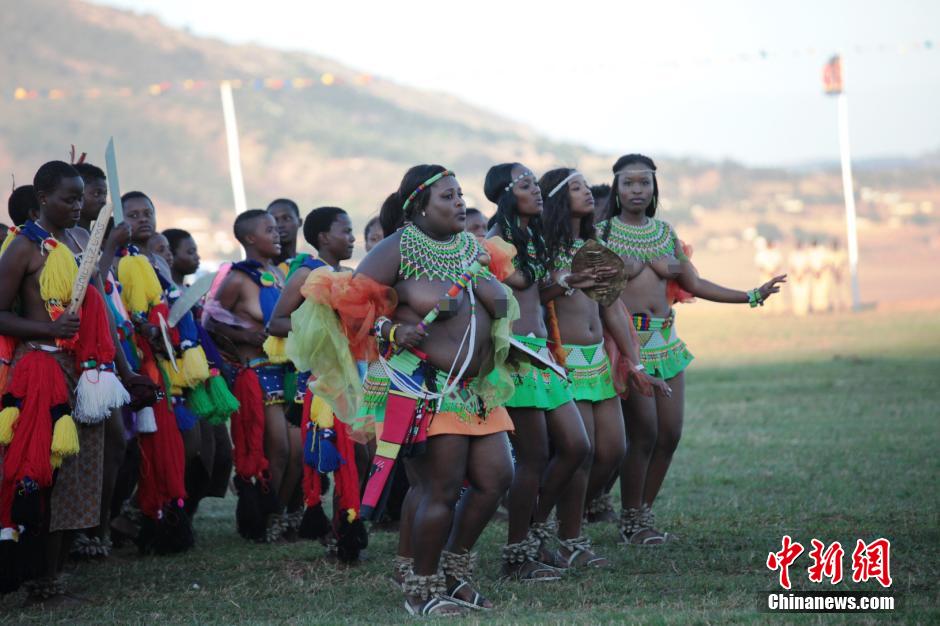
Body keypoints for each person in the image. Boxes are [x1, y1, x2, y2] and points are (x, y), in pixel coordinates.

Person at [288, 165, 517, 615]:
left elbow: (501, 296)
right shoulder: (397, 248)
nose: (459, 204)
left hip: (472, 388)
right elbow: (349, 306)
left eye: (460, 195)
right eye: (449, 197)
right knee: (440, 488)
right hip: (424, 388)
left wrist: (491, 301)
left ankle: (454, 570)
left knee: (496, 479)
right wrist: (392, 331)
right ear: (419, 206)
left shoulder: (471, 247)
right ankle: (421, 587)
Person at [597, 153, 785, 545]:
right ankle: (631, 519)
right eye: (629, 183)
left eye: (644, 183)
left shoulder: (666, 234)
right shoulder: (603, 235)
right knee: (644, 433)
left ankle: (643, 516)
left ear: (654, 188)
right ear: (616, 187)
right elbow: (596, 296)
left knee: (670, 434)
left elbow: (695, 284)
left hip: (668, 342)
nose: (637, 190)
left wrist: (750, 295)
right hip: (629, 344)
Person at [0, 161, 130, 600]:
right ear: (41, 197)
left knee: (76, 471)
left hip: (83, 373)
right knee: (42, 470)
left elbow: (100, 309)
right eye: (68, 198)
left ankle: (53, 574)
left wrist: (118, 368)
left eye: (81, 198)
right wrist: (47, 332)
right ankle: (31, 575)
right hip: (40, 369)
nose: (77, 206)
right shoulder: (22, 247)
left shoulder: (79, 240)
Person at [540, 167, 669, 566]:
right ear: (560, 198)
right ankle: (569, 539)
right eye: (577, 188)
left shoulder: (593, 244)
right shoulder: (545, 247)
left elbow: (612, 307)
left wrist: (633, 361)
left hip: (598, 361)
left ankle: (544, 518)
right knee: (582, 452)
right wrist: (567, 280)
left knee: (612, 450)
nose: (588, 195)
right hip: (567, 360)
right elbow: (537, 293)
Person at [484, 163, 590, 581]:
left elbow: (535, 292)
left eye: (535, 183)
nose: (537, 190)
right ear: (507, 195)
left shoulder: (533, 235)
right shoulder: (494, 243)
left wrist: (569, 280)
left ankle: (531, 531)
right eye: (526, 185)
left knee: (576, 446)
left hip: (544, 356)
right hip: (515, 357)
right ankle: (517, 555)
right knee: (534, 456)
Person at [268, 207, 366, 560]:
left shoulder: (352, 276)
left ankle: (347, 529)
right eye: (347, 230)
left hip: (355, 377)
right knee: (335, 455)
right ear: (324, 236)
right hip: (324, 383)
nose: (353, 238)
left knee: (359, 454)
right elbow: (276, 322)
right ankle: (337, 535)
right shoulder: (306, 274)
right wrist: (317, 332)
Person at [206, 210, 299, 542]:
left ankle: (280, 513)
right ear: (249, 239)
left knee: (295, 450)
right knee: (277, 449)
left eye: (277, 229)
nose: (277, 234)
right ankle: (262, 517)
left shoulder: (280, 275)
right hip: (256, 373)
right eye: (269, 230)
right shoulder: (236, 278)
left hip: (286, 371)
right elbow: (210, 322)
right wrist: (245, 337)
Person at [754, 238, 786, 314]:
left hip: (775, 276)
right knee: (763, 292)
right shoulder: (761, 253)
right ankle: (766, 310)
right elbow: (759, 265)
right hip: (765, 275)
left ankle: (778, 310)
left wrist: (773, 271)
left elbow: (779, 264)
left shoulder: (776, 253)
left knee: (777, 292)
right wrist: (767, 272)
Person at [267, 198, 302, 269]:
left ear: (299, 222)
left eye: (287, 218)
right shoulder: (263, 267)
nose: (280, 225)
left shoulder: (307, 263)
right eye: (274, 220)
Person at [788, 240, 810, 316]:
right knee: (796, 293)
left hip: (804, 277)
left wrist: (801, 275)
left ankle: (804, 310)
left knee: (804, 294)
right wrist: (797, 275)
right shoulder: (792, 255)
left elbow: (807, 266)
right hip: (795, 277)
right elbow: (791, 267)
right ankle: (797, 311)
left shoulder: (805, 254)